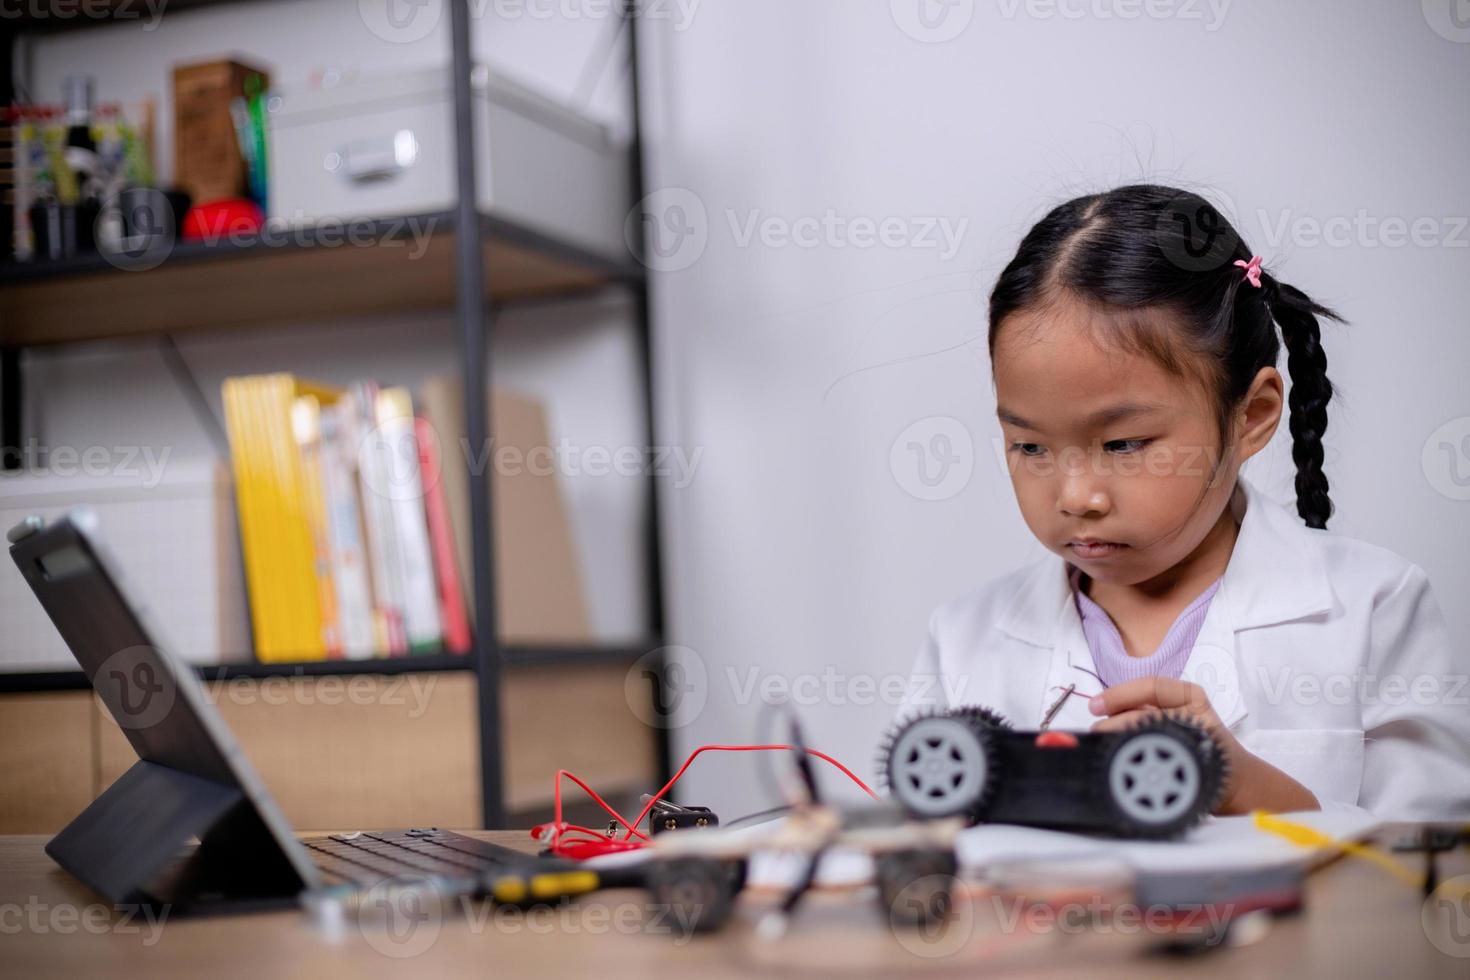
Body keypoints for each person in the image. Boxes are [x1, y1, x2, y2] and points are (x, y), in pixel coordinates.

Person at [897, 184, 1469, 820]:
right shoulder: (964, 639)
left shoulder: (1374, 608)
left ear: (1252, 415)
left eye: (1123, 444)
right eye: (1030, 447)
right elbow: (917, 863)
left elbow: (1434, 875)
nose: (1075, 497)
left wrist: (1251, 790)